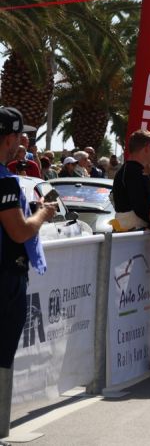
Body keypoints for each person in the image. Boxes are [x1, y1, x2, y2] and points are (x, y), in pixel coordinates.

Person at [0, 108, 56, 373]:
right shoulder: (5, 182)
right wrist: (42, 213)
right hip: (6, 277)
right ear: (10, 138)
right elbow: (20, 231)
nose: (23, 143)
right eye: (20, 137)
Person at [111, 130, 150, 231]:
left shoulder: (132, 169)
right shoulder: (133, 171)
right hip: (133, 234)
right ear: (147, 148)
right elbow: (140, 206)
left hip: (132, 232)